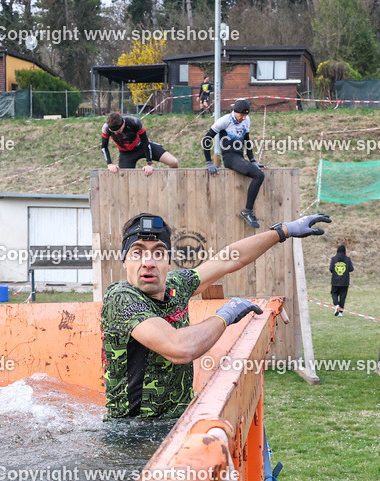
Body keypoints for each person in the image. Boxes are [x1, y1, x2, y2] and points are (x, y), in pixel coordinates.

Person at [101, 211, 331, 419]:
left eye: (158, 253)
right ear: (124, 262)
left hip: (177, 422)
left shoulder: (176, 286)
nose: (148, 263)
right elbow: (179, 348)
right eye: (137, 253)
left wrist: (283, 231)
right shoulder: (120, 297)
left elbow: (229, 258)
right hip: (131, 433)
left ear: (168, 260)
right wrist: (225, 316)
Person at [203, 99, 265, 228]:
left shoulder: (246, 120)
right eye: (241, 115)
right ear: (234, 112)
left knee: (259, 174)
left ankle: (247, 211)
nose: (243, 118)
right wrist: (209, 162)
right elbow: (206, 139)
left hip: (239, 156)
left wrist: (253, 161)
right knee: (259, 175)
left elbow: (247, 141)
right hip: (229, 157)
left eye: (245, 115)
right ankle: (247, 211)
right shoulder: (224, 120)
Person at [101, 113, 178, 177]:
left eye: (118, 131)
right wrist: (109, 164)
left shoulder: (134, 122)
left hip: (142, 146)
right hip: (127, 154)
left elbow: (145, 142)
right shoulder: (106, 128)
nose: (116, 133)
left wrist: (149, 163)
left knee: (173, 162)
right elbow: (104, 146)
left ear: (123, 123)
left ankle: (173, 184)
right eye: (113, 132)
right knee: (124, 179)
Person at [329, 244, 354, 317]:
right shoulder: (348, 259)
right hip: (344, 282)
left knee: (334, 293)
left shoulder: (333, 259)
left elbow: (331, 269)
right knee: (343, 297)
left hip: (335, 281)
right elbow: (351, 269)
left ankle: (336, 304)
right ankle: (340, 312)